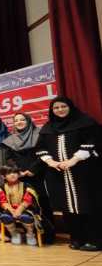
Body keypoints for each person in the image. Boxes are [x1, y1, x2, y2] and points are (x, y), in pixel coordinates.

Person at [36, 97, 101, 251]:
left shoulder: (85, 122)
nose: (60, 110)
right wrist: (52, 162)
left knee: (88, 205)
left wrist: (73, 160)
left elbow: (93, 142)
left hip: (84, 172)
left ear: (70, 107)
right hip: (58, 174)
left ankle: (95, 240)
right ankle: (76, 238)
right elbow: (41, 148)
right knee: (67, 208)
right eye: (56, 108)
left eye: (63, 106)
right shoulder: (48, 127)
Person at [0, 166, 41, 246]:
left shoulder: (26, 186)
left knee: (25, 217)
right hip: (10, 210)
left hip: (26, 209)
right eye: (9, 173)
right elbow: (3, 202)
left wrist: (19, 210)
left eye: (15, 172)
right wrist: (12, 211)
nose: (12, 175)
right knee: (5, 217)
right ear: (3, 176)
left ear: (19, 174)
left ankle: (30, 234)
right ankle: (14, 234)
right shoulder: (1, 188)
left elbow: (27, 200)